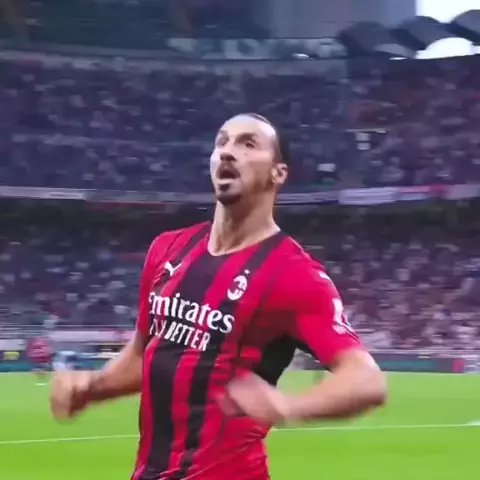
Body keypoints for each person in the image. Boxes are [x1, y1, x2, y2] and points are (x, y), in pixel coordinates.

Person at [50, 113, 387, 479]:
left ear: (278, 173)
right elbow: (144, 353)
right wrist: (93, 387)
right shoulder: (167, 249)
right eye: (221, 142)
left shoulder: (295, 275)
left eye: (248, 144)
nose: (227, 151)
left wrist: (289, 405)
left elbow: (366, 379)